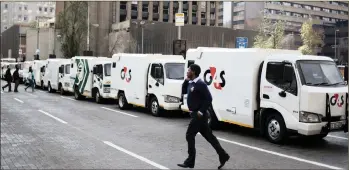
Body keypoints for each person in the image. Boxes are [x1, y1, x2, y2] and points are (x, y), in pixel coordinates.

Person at [178, 64, 230, 169]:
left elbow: (209, 99)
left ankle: (190, 161)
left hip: (198, 116)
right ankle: (223, 155)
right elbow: (183, 91)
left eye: (189, 70)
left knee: (189, 135)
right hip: (195, 115)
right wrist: (186, 80)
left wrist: (201, 111)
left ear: (194, 72)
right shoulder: (191, 83)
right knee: (209, 137)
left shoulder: (201, 84)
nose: (187, 71)